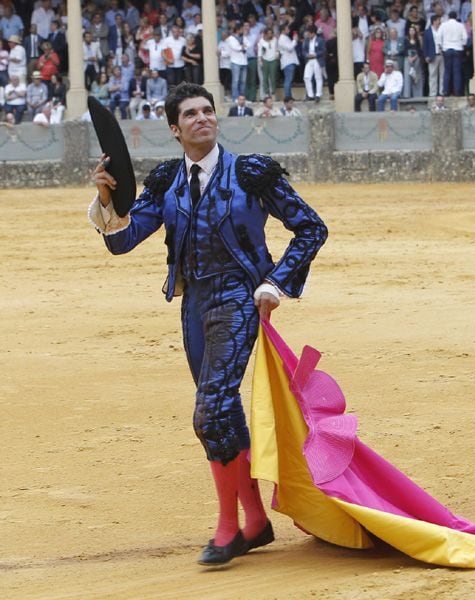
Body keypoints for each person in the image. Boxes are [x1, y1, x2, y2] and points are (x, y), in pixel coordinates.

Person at [89, 82, 327, 566]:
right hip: (194, 306)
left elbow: (311, 227)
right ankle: (256, 521)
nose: (203, 118)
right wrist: (107, 201)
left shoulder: (251, 172)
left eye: (208, 111)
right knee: (222, 414)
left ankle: (227, 529)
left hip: (238, 299)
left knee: (210, 409)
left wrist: (276, 283)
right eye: (191, 114)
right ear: (175, 129)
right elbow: (123, 241)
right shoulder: (168, 182)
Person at [438, 10, 467, 96]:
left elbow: (438, 36)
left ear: (448, 17)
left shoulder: (444, 25)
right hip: (457, 49)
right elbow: (465, 37)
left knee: (447, 71)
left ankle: (446, 91)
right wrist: (462, 45)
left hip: (447, 49)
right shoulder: (460, 25)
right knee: (457, 72)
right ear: (456, 17)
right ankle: (457, 92)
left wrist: (441, 47)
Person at [302, 25, 325, 102]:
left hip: (317, 59)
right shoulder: (306, 41)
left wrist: (316, 54)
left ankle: (318, 94)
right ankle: (310, 94)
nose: (308, 35)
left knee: (318, 77)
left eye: (309, 33)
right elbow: (304, 50)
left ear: (313, 33)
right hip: (309, 60)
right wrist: (306, 55)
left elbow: (323, 50)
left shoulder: (320, 40)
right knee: (306, 77)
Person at [278, 23, 299, 99]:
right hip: (288, 62)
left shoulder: (285, 37)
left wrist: (294, 40)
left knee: (289, 79)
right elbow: (290, 48)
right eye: (287, 29)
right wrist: (295, 40)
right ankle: (287, 96)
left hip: (290, 61)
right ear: (283, 30)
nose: (289, 30)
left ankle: (289, 96)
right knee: (288, 80)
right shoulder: (282, 39)